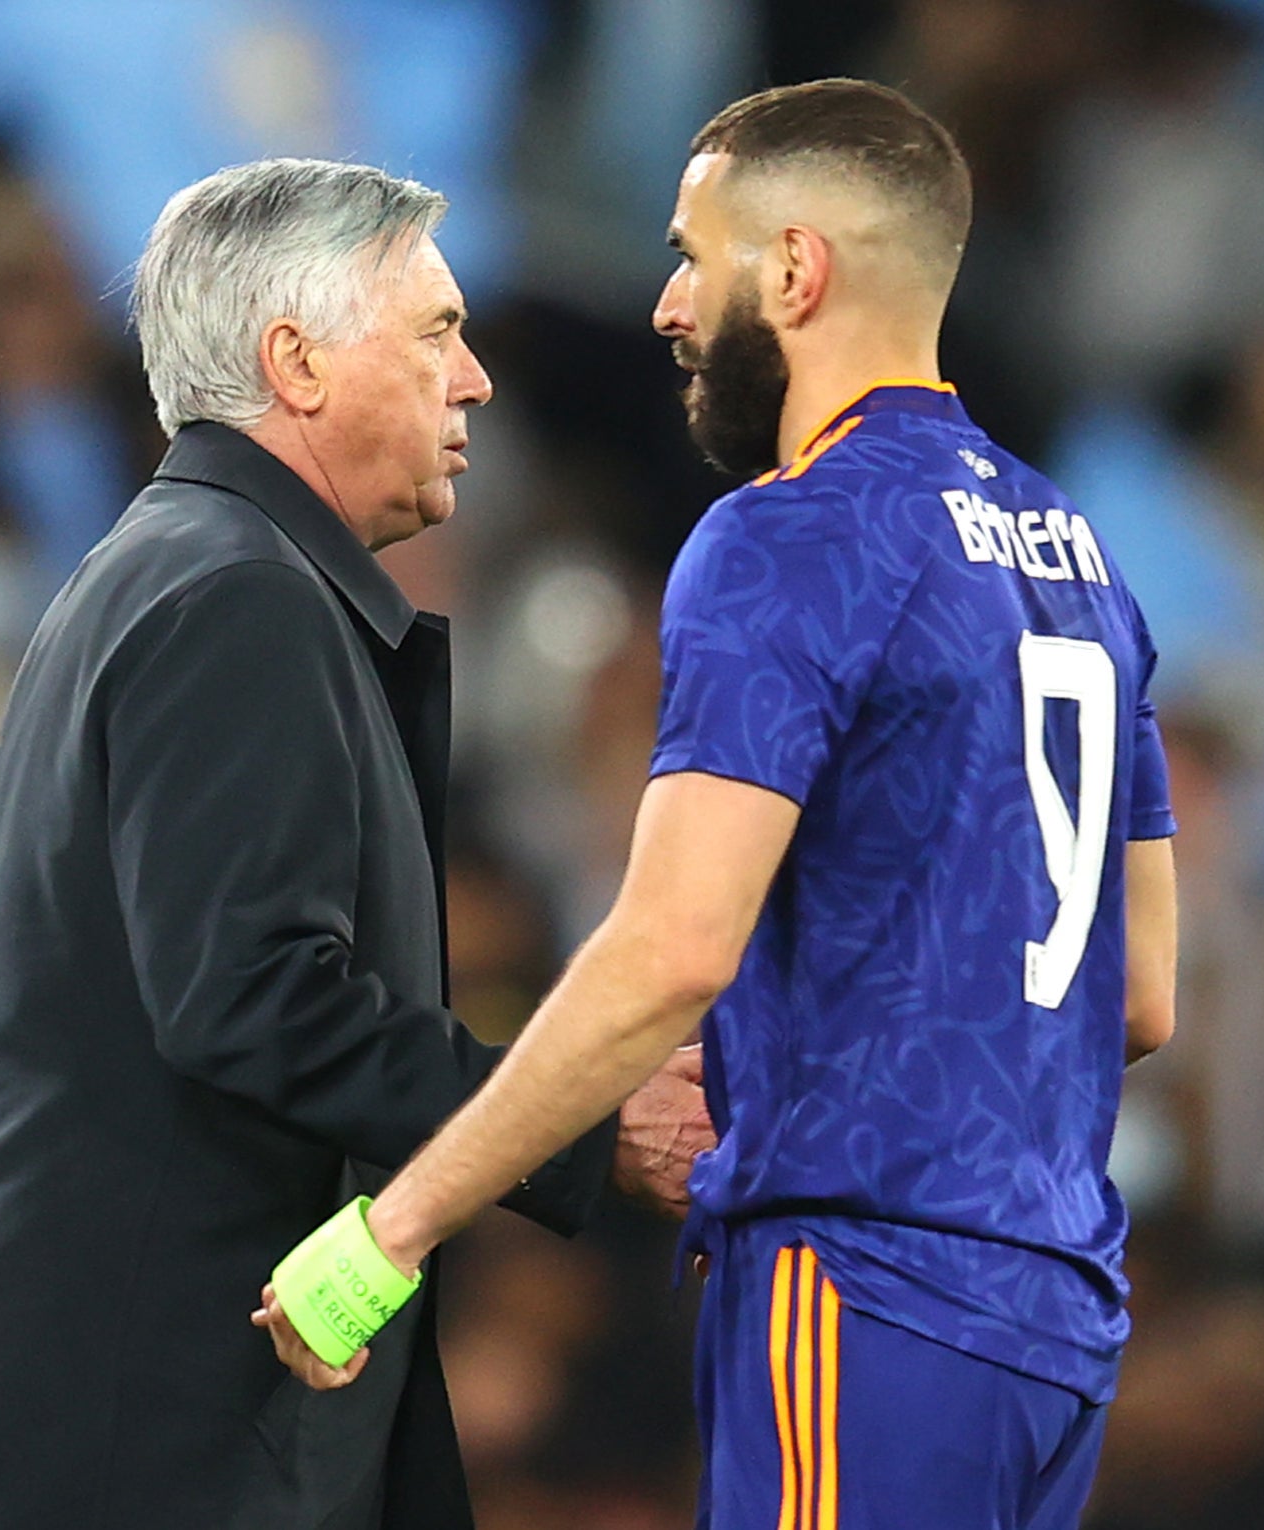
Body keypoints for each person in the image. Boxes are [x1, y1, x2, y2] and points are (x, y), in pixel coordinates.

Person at [262, 82, 1180, 1530]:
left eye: (694, 254)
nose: (668, 306)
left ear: (797, 270)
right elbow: (1137, 996)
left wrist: (396, 1228)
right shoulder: (1082, 558)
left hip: (868, 1289)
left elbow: (672, 945)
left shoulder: (788, 534)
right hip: (1055, 1327)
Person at [0, 158, 712, 1530]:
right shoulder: (235, 596)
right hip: (136, 1456)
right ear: (295, 361)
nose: (477, 378)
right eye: (437, 330)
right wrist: (586, 1115)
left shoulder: (194, 568)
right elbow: (254, 1002)